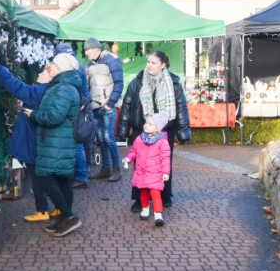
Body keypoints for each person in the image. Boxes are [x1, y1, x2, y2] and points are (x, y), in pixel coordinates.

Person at [0, 52, 59, 222]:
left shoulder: (37, 91)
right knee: (46, 176)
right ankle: (58, 207)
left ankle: (42, 210)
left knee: (38, 176)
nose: (39, 74)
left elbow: (14, 85)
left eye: (43, 73)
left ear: (49, 78)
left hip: (33, 141)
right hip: (42, 140)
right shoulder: (51, 91)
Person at [116, 50, 190, 211]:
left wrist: (183, 132)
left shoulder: (174, 84)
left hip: (165, 131)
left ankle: (165, 195)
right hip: (141, 129)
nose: (149, 65)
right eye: (148, 62)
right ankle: (139, 199)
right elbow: (127, 106)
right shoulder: (137, 82)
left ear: (163, 65)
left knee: (164, 163)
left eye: (153, 62)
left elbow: (181, 107)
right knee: (141, 165)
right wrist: (123, 130)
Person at [24, 53, 83, 237]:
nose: (51, 66)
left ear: (61, 68)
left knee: (44, 177)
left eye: (54, 64)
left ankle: (69, 216)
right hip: (58, 140)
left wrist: (33, 115)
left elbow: (54, 116)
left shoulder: (64, 88)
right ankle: (64, 218)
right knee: (62, 178)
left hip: (57, 140)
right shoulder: (63, 85)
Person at [83, 37, 123, 182]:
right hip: (96, 106)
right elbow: (87, 86)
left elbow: (119, 83)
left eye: (87, 50)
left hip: (107, 106)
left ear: (95, 49)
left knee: (108, 137)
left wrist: (110, 103)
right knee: (101, 138)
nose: (86, 53)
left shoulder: (111, 60)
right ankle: (106, 169)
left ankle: (116, 169)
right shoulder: (90, 64)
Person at [122, 112, 172, 227]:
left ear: (157, 129)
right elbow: (134, 151)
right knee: (143, 192)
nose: (146, 125)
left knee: (155, 193)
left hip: (155, 173)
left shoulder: (162, 142)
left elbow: (165, 158)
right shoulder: (140, 139)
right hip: (142, 172)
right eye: (146, 123)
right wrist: (128, 159)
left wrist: (165, 172)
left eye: (150, 124)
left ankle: (158, 214)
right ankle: (145, 209)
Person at [55, 42, 90, 189]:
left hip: (75, 109)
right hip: (81, 107)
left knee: (77, 144)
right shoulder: (78, 65)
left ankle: (81, 176)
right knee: (78, 143)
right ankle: (81, 174)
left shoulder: (71, 70)